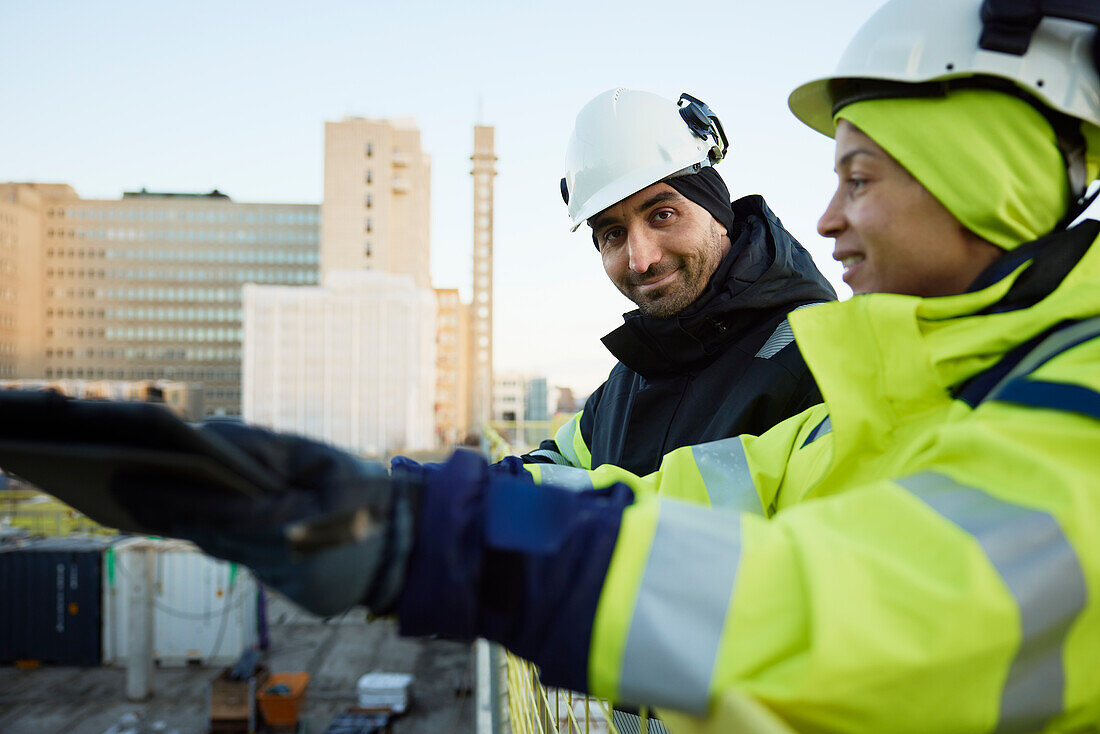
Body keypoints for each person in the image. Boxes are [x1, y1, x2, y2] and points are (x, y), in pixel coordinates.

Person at [8, 0, 1100, 731]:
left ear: (983, 177)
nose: (829, 214)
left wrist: (441, 543)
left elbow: (820, 598)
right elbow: (698, 486)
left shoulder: (893, 368)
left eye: (858, 176)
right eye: (608, 232)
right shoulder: (891, 378)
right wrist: (407, 506)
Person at [519, 89, 835, 477]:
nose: (641, 259)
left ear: (718, 214)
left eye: (663, 214)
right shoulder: (627, 381)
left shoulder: (818, 352)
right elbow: (558, 465)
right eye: (614, 234)